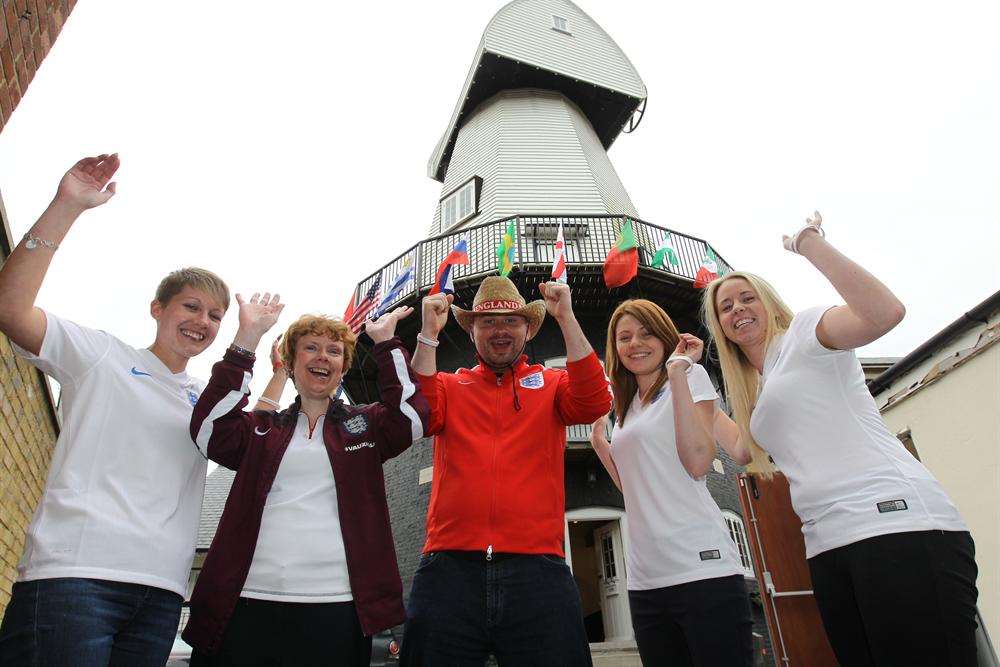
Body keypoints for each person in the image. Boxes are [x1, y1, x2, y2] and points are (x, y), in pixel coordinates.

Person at [704, 213, 978, 666]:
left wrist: (810, 244)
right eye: (725, 307)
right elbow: (741, 449)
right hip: (828, 545)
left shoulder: (807, 334)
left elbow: (883, 313)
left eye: (746, 298)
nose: (737, 310)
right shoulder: (762, 386)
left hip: (894, 524)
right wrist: (695, 388)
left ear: (769, 304)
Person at [0, 155, 231, 666]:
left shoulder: (208, 399)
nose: (203, 321)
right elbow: (11, 309)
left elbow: (258, 444)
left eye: (215, 315)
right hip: (75, 580)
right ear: (158, 308)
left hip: (162, 594)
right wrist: (67, 206)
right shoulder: (101, 356)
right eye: (191, 306)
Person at [184, 300, 428, 667]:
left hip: (337, 607)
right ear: (291, 363)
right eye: (311, 348)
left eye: (334, 351)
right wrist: (246, 341)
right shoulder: (261, 428)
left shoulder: (368, 424)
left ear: (344, 368)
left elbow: (411, 419)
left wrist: (386, 343)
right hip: (245, 603)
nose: (323, 357)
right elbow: (208, 430)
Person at [400, 276, 612, 666]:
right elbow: (418, 411)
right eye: (488, 322)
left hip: (537, 568)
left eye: (511, 321)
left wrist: (565, 317)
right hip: (449, 570)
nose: (500, 330)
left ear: (529, 329)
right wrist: (427, 335)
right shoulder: (450, 384)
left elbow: (595, 401)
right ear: (472, 332)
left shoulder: (554, 383)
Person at [589, 299, 753, 666]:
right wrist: (603, 447)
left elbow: (698, 461)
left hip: (701, 567)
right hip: (646, 578)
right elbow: (637, 491)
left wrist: (678, 372)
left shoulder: (689, 376)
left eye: (646, 333)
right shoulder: (627, 407)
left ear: (665, 337)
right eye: (624, 337)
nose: (635, 344)